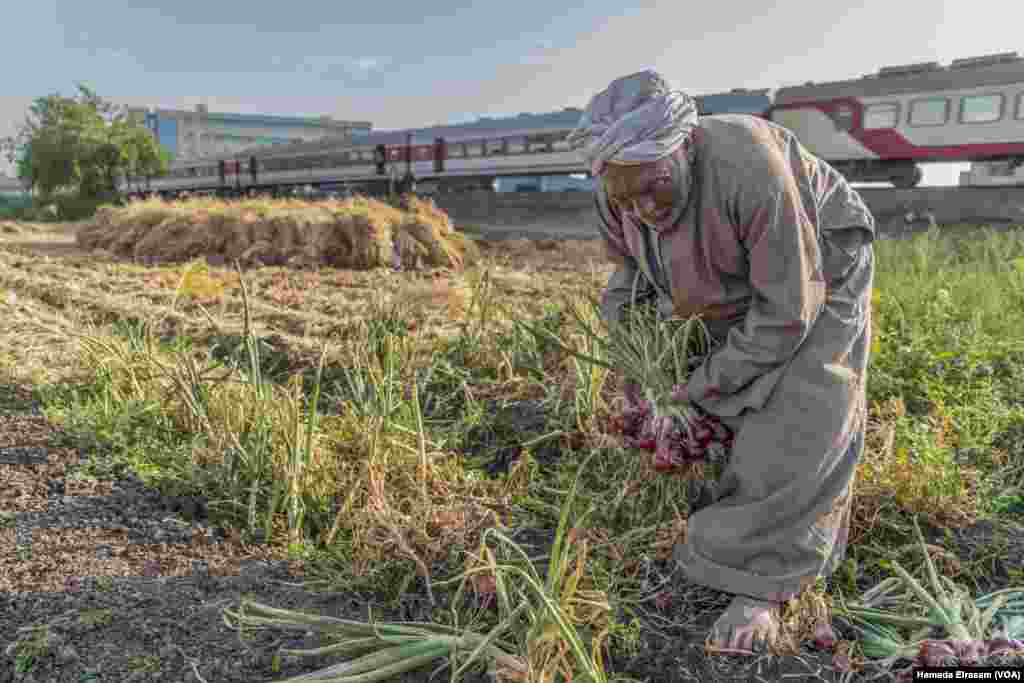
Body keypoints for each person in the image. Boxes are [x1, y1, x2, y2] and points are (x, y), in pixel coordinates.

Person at [566, 70, 875, 654]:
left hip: (817, 269)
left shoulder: (751, 166)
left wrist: (703, 388)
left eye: (655, 184)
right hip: (722, 281)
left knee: (799, 407)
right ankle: (737, 518)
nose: (644, 207)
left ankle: (768, 580)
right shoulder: (618, 193)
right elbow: (629, 280)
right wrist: (635, 359)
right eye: (626, 197)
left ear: (685, 145)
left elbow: (788, 310)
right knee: (722, 383)